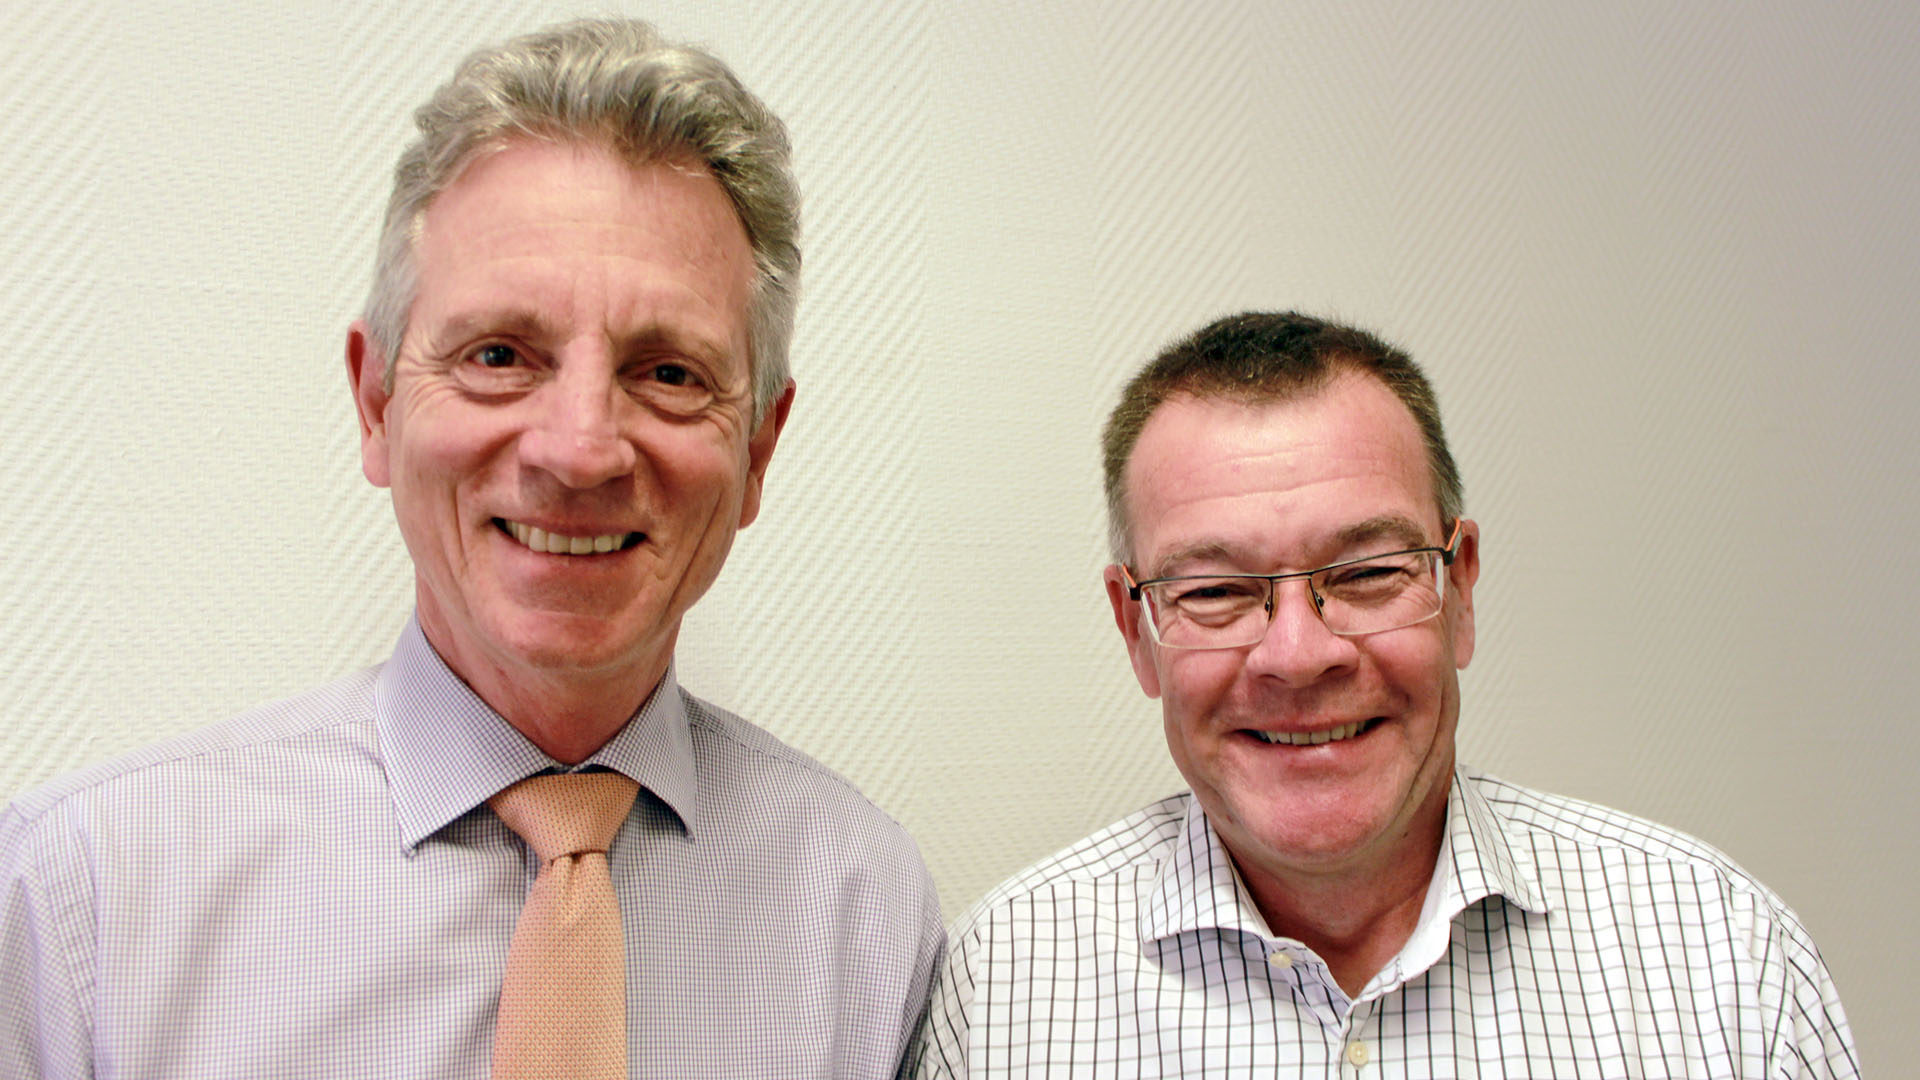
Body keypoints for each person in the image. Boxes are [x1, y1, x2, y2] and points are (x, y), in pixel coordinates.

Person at [0, 18, 941, 1078]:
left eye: (670, 373)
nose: (581, 450)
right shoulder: (84, 902)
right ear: (375, 401)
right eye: (500, 354)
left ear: (759, 446)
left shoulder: (863, 911)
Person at [916, 311, 1857, 1077]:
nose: (1297, 654)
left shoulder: (1729, 964)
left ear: (1460, 591)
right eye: (1214, 591)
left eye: (1368, 572)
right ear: (1137, 630)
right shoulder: (998, 990)